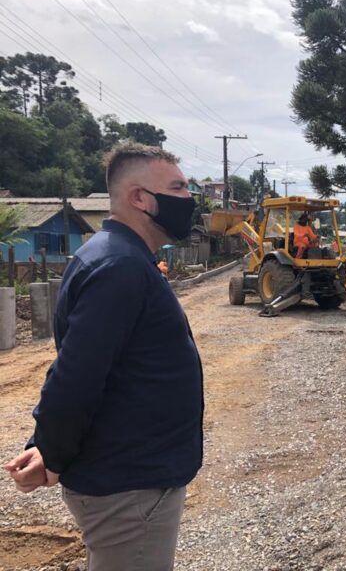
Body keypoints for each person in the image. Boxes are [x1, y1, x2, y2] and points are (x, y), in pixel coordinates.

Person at [4, 142, 204, 571]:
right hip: (129, 486)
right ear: (139, 198)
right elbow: (75, 378)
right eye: (179, 188)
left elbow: (98, 365)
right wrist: (52, 453)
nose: (189, 200)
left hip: (131, 475)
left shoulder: (119, 256)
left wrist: (48, 445)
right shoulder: (120, 267)